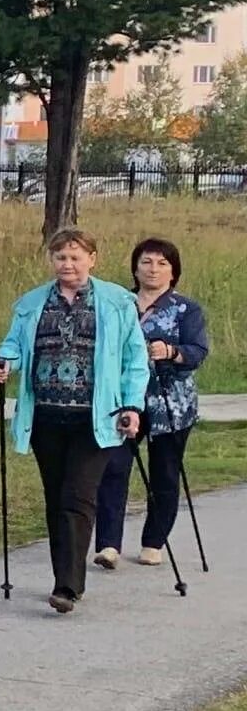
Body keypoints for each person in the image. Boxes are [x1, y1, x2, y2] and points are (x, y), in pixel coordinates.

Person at [0, 227, 147, 612]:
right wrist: (4, 361)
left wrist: (132, 406)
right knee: (54, 498)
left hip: (96, 417)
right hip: (46, 414)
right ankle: (65, 573)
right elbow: (14, 343)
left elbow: (134, 359)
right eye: (61, 257)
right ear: (52, 260)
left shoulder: (116, 302)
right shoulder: (32, 303)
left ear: (92, 259)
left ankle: (67, 586)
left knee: (76, 496)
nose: (68, 264)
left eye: (76, 257)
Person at [93, 237, 209, 569]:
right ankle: (108, 544)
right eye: (146, 262)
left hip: (170, 403)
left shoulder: (187, 309)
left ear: (173, 271)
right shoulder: (118, 303)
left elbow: (198, 351)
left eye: (161, 263)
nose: (153, 269)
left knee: (165, 472)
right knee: (112, 468)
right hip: (124, 400)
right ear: (135, 267)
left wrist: (172, 352)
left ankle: (154, 541)